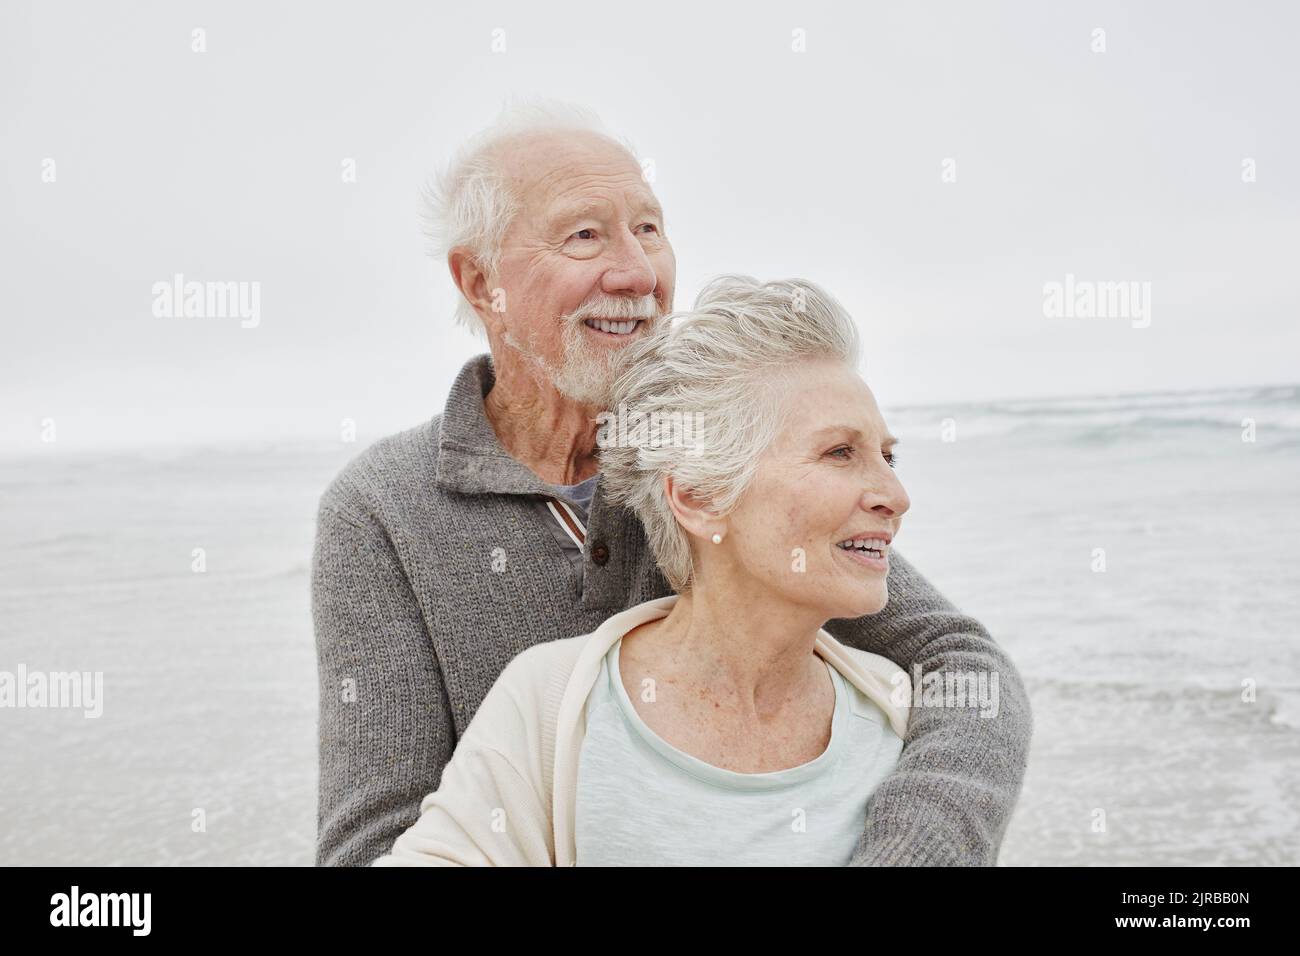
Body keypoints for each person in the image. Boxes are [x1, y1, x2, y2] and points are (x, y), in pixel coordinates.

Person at [312, 102, 1032, 866]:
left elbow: (962, 669)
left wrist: (908, 849)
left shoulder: (711, 453)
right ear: (481, 279)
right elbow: (372, 844)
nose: (637, 272)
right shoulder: (381, 509)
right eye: (585, 234)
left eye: (649, 229)